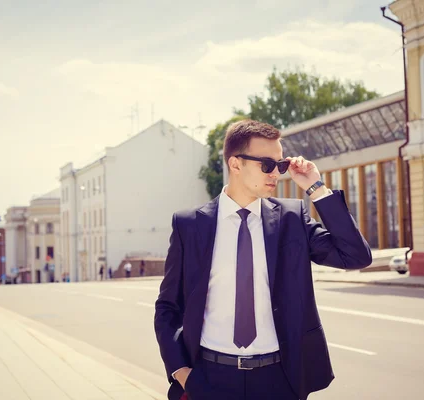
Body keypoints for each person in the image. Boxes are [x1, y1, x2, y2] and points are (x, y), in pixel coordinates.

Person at [154, 120, 372, 400]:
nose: (276, 174)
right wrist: (182, 372)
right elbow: (168, 306)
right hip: (210, 378)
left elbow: (355, 255)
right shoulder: (190, 225)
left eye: (280, 165)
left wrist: (315, 187)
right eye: (267, 165)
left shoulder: (291, 219)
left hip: (278, 380)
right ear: (235, 164)